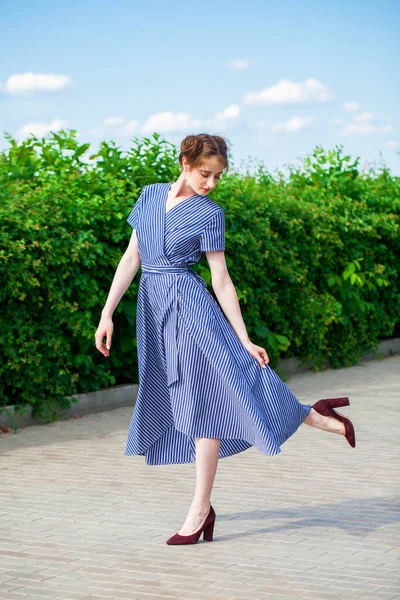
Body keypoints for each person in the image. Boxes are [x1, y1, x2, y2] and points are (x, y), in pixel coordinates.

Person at [95, 133, 356, 546]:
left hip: (190, 308)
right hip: (154, 310)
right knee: (217, 390)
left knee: (215, 395)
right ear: (184, 161)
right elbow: (132, 257)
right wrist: (107, 313)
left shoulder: (209, 213)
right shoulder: (147, 196)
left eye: (218, 177)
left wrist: (245, 337)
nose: (211, 183)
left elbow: (221, 277)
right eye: (205, 173)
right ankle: (315, 414)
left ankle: (200, 510)